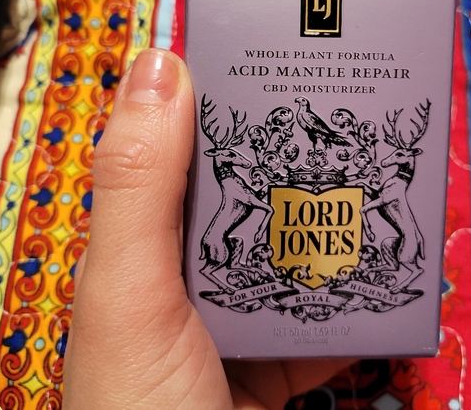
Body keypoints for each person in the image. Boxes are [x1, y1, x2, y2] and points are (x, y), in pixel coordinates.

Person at [63, 48, 354, 409]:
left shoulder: (254, 164)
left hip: (232, 377)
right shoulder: (232, 177)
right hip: (222, 370)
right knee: (224, 249)